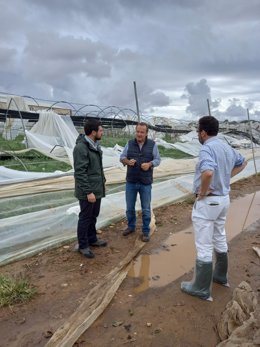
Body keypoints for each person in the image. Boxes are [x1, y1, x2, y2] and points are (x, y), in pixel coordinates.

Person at [181, 115, 247, 301]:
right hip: (224, 199)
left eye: (197, 131)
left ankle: (201, 288)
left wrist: (202, 192)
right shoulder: (226, 146)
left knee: (203, 243)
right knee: (219, 236)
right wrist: (226, 177)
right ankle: (220, 276)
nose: (198, 135)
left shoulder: (207, 149)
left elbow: (208, 172)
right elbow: (243, 162)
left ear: (203, 132)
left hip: (209, 201)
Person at [120, 122, 161, 242]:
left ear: (146, 133)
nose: (139, 134)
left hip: (145, 182)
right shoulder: (129, 143)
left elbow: (158, 159)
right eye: (138, 131)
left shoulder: (152, 145)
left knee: (146, 209)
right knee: (129, 208)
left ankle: (145, 231)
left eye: (142, 132)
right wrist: (128, 162)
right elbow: (122, 157)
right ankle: (131, 227)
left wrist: (149, 164)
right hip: (131, 181)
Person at [73, 119, 107, 258]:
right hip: (88, 191)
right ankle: (83, 245)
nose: (102, 132)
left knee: (93, 215)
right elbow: (80, 173)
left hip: (96, 188)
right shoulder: (81, 148)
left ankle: (92, 239)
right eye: (100, 130)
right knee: (85, 217)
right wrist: (88, 192)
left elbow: (97, 168)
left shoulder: (94, 145)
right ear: (93, 132)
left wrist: (102, 182)